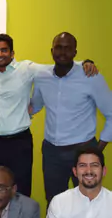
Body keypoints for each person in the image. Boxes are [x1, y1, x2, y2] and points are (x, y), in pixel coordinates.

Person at [0, 33, 97, 198]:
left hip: (19, 143)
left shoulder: (26, 69)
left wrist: (85, 63)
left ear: (12, 53)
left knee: (21, 190)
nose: (0, 54)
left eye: (4, 50)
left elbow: (56, 66)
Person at [31, 32, 112, 204]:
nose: (63, 52)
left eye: (68, 48)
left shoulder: (90, 76)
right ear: (51, 51)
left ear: (75, 52)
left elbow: (111, 115)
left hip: (83, 149)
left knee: (88, 201)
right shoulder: (41, 77)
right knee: (54, 203)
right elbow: (35, 106)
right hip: (52, 152)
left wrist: (97, 150)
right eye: (59, 48)